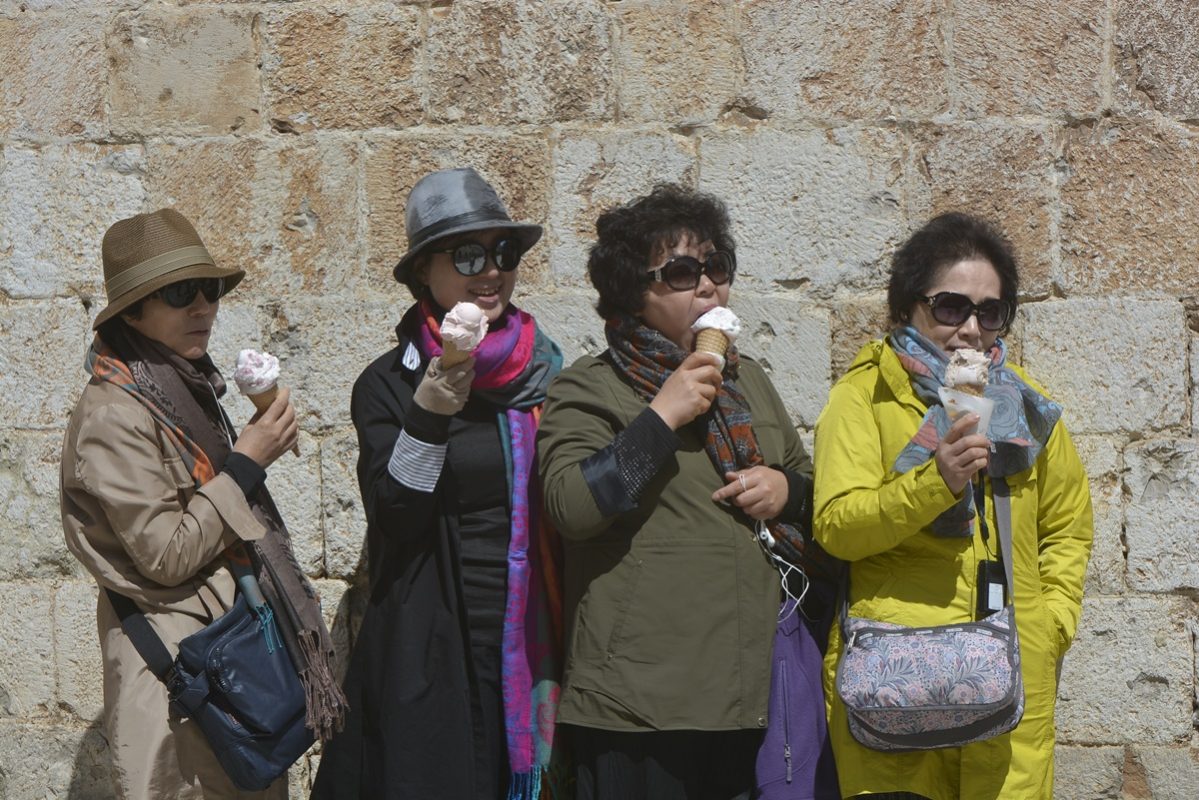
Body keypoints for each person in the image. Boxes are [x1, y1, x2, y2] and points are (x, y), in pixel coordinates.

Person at [536, 184, 837, 800]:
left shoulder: (748, 381)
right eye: (680, 272)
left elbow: (813, 490)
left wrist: (786, 490)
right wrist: (662, 416)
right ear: (633, 292)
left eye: (716, 267)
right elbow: (571, 506)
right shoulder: (589, 387)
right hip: (637, 705)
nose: (706, 286)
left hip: (750, 697)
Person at [60, 208, 346, 799]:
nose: (202, 307)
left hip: (228, 670)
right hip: (180, 686)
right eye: (178, 293)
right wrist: (246, 464)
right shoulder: (114, 415)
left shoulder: (180, 390)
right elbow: (165, 554)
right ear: (132, 313)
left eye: (209, 290)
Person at [812, 212, 1094, 799]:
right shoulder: (864, 397)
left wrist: (1052, 625)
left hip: (1013, 672)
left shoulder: (1026, 407)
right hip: (896, 678)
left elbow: (1067, 525)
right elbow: (837, 527)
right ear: (908, 306)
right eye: (950, 307)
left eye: (989, 312)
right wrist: (934, 481)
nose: (970, 329)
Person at [311, 167, 565, 800]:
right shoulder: (390, 386)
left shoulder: (548, 374)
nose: (491, 271)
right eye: (468, 255)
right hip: (435, 648)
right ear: (424, 271)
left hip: (533, 643)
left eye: (503, 252)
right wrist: (430, 409)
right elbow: (396, 515)